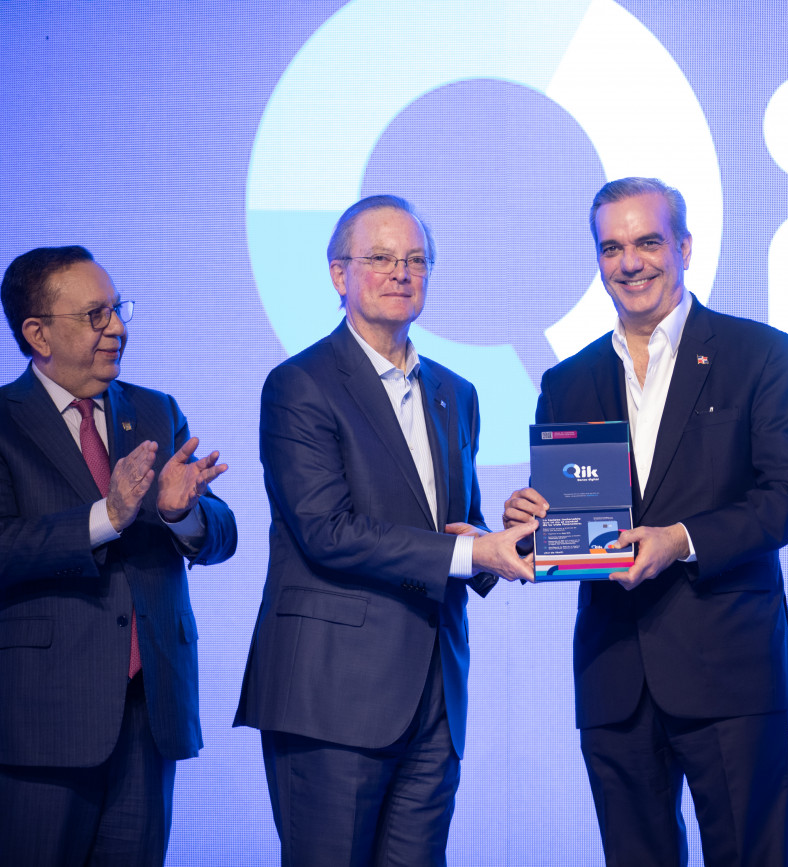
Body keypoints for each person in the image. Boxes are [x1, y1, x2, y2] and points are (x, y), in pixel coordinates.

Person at [503, 177, 788, 866]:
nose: (630, 262)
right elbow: (568, 516)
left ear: (685, 247)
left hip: (730, 670)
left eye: (648, 241)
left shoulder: (761, 355)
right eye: (611, 247)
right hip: (614, 674)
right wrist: (527, 521)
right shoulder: (567, 381)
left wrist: (680, 540)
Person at [233, 194, 534, 866]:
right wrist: (472, 549)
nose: (402, 272)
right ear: (339, 274)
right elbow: (326, 530)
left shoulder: (456, 392)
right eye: (381, 258)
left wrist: (511, 538)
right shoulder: (300, 385)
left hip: (434, 694)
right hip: (332, 695)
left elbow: (456, 527)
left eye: (416, 260)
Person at [0, 245, 237, 864]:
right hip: (42, 720)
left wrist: (181, 513)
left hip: (149, 711)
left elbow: (221, 533)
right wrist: (107, 516)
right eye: (95, 315)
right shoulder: (3, 422)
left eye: (118, 309)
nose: (117, 328)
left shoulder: (155, 409)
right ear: (38, 334)